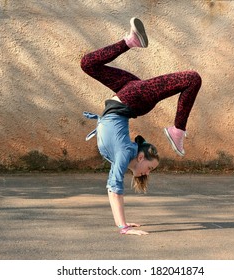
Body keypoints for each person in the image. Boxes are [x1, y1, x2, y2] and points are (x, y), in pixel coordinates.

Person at [81, 17, 202, 235]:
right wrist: (124, 226)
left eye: (150, 169)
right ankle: (178, 130)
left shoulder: (121, 155)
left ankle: (131, 41)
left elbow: (113, 188)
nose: (149, 172)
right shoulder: (126, 151)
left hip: (127, 95)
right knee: (192, 79)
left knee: (88, 64)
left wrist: (123, 226)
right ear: (139, 157)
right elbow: (113, 189)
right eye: (150, 167)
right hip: (132, 97)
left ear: (139, 158)